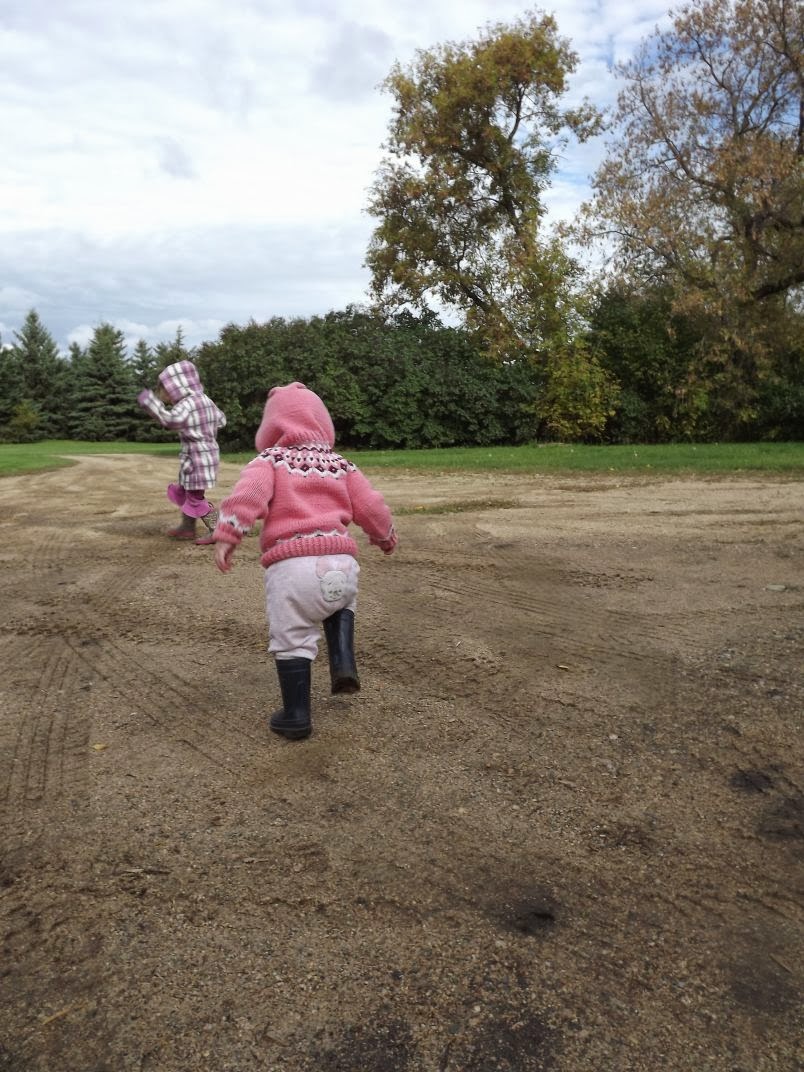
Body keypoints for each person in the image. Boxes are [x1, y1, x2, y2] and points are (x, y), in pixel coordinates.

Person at [212, 382, 397, 741]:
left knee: (293, 636)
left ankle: (296, 715)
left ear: (272, 427)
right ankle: (343, 660)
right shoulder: (341, 464)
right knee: (340, 601)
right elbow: (371, 506)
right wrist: (385, 536)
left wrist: (228, 534)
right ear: (323, 423)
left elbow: (247, 496)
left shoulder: (271, 460)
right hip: (342, 564)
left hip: (292, 567)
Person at [137, 360, 227, 545]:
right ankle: (187, 528)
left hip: (196, 458)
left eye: (163, 389)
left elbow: (171, 421)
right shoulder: (205, 400)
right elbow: (221, 420)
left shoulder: (186, 405)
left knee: (195, 498)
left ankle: (218, 529)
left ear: (176, 386)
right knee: (187, 492)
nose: (161, 394)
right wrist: (205, 429)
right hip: (208, 455)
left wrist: (151, 405)